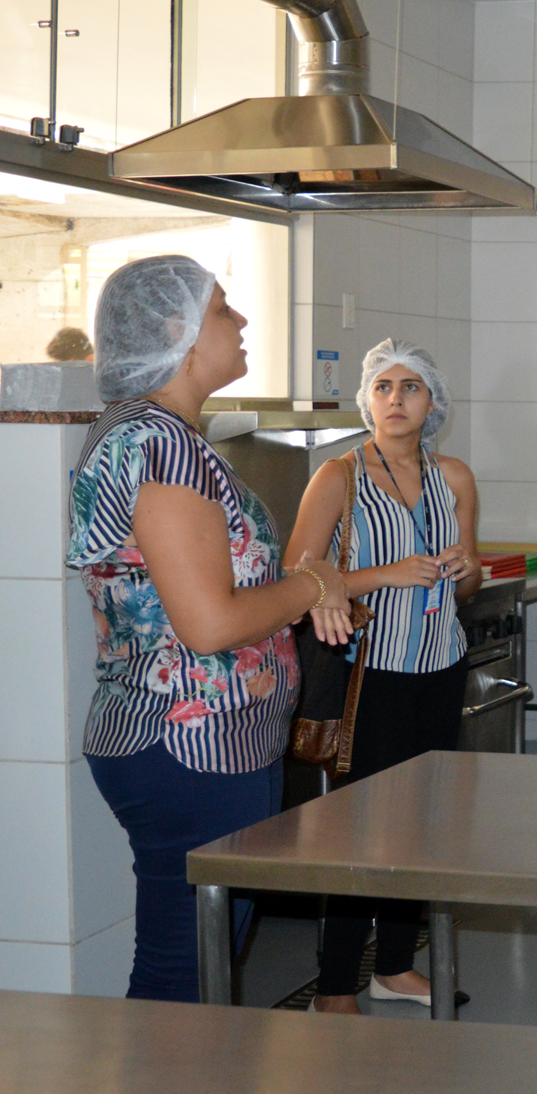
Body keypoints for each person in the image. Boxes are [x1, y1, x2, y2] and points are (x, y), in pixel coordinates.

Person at [67, 255, 346, 1002]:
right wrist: (312, 584)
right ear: (176, 331)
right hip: (190, 746)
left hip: (201, 744)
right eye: (224, 308)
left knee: (196, 963)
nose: (244, 320)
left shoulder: (151, 435)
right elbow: (210, 625)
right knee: (184, 972)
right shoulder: (162, 446)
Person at [289, 340, 479, 1015]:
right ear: (367, 398)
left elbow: (473, 574)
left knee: (422, 825)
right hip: (372, 673)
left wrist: (463, 568)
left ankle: (394, 965)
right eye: (384, 387)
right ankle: (337, 985)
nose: (396, 400)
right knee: (360, 827)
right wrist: (383, 575)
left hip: (440, 666)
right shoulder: (337, 476)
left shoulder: (453, 476)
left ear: (434, 403)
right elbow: (298, 574)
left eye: (412, 388)